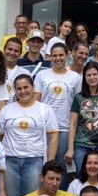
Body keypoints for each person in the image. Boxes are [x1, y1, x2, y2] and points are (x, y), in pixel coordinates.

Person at [0, 74, 60, 196]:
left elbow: (53, 136)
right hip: (10, 161)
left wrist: (50, 164)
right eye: (19, 88)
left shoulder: (45, 109)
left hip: (34, 161)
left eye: (26, 87)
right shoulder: (6, 110)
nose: (23, 91)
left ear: (33, 88)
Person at [35, 43, 83, 174]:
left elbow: (78, 104)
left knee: (61, 167)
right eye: (54, 55)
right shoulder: (41, 75)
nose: (58, 58)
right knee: (43, 164)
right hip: (44, 127)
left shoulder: (75, 77)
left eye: (61, 55)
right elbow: (36, 100)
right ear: (50, 57)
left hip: (64, 128)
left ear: (67, 55)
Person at [69, 61, 98, 176]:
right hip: (81, 145)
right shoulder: (78, 97)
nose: (92, 77)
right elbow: (73, 123)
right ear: (84, 77)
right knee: (81, 177)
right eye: (88, 75)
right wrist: (70, 148)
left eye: (95, 74)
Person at [0, 37, 24, 107]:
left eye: (16, 51)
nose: (12, 53)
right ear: (4, 50)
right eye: (9, 49)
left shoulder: (24, 73)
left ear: (20, 54)